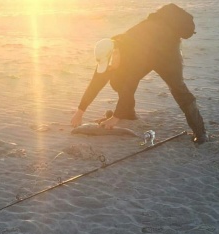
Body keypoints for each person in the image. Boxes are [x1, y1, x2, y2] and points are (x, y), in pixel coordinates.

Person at [71, 4, 209, 144]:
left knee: (177, 88)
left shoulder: (132, 55)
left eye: (110, 64)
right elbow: (96, 82)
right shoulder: (109, 49)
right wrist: (80, 111)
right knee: (117, 80)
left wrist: (116, 117)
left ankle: (200, 131)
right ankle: (128, 113)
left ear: (115, 53)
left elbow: (130, 85)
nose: (109, 67)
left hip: (167, 53)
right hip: (148, 52)